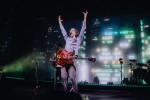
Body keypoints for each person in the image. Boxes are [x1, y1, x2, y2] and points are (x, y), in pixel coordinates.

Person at [58, 10, 88, 93]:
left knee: (72, 77)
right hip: (64, 59)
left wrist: (85, 18)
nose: (70, 30)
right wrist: (60, 22)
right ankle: (65, 91)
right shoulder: (67, 38)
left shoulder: (79, 38)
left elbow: (83, 29)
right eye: (70, 30)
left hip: (73, 59)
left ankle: (75, 92)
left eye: (72, 30)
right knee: (63, 77)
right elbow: (63, 31)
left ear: (75, 32)